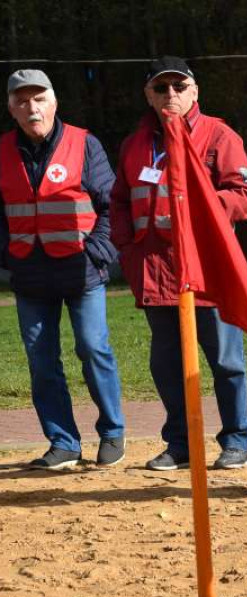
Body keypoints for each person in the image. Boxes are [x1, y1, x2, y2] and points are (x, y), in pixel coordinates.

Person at [111, 56, 247, 471]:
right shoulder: (134, 144)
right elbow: (119, 201)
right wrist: (127, 246)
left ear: (195, 91)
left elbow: (245, 196)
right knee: (167, 366)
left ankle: (237, 441)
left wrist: (200, 209)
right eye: (161, 88)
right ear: (149, 96)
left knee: (225, 361)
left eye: (179, 86)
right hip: (156, 273)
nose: (170, 95)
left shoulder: (219, 136)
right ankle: (181, 444)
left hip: (208, 269)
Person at [0, 69, 125, 470]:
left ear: (54, 102)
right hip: (29, 275)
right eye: (21, 100)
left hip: (81, 271)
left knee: (93, 348)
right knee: (41, 362)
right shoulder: (1, 150)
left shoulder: (84, 143)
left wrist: (97, 252)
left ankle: (112, 432)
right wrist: (7, 256)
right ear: (11, 108)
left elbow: (112, 205)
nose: (31, 107)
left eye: (38, 98)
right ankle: (64, 442)